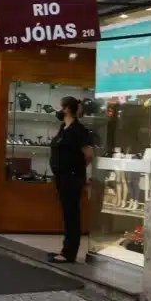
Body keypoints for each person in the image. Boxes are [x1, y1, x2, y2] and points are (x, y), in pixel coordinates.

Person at [48, 96, 94, 264]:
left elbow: (88, 154)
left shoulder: (78, 130)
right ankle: (65, 249)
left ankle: (69, 252)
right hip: (61, 177)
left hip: (72, 177)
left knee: (72, 214)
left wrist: (77, 169)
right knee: (67, 214)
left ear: (66, 109)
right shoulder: (63, 128)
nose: (58, 110)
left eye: (60, 106)